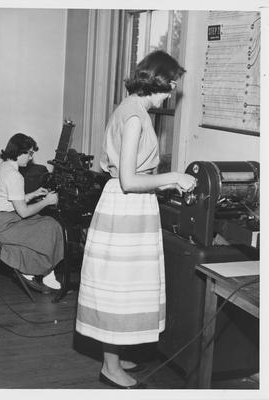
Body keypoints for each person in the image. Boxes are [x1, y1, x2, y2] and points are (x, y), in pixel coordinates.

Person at [75, 50, 197, 389]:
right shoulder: (134, 117)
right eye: (171, 85)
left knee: (125, 288)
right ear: (159, 81)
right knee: (119, 289)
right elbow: (128, 180)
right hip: (126, 207)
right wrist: (173, 177)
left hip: (132, 209)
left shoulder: (130, 108)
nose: (172, 92)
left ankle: (116, 354)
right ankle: (110, 367)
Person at [0, 133, 64, 293]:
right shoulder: (14, 175)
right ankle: (36, 271)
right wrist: (47, 201)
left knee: (43, 221)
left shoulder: (1, 168)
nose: (30, 157)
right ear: (18, 153)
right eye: (29, 153)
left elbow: (8, 200)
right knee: (51, 225)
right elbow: (24, 212)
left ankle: (44, 271)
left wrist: (33, 194)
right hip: (3, 227)